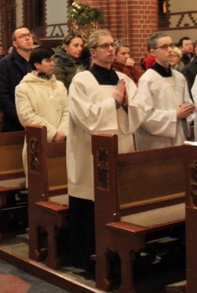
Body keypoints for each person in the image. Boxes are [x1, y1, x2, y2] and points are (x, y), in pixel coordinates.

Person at [66, 30, 146, 272]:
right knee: (91, 202)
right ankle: (87, 256)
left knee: (117, 199)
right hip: (89, 153)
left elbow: (139, 110)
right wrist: (113, 102)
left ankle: (119, 253)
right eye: (104, 46)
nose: (110, 49)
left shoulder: (124, 78)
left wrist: (126, 103)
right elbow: (84, 117)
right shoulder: (81, 81)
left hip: (120, 146)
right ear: (92, 52)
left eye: (112, 45)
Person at [15, 46, 69, 183]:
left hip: (63, 143)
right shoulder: (23, 88)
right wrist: (53, 133)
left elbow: (68, 111)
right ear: (37, 64)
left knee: (62, 185)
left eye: (52, 60)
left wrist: (63, 131)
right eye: (47, 60)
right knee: (41, 187)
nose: (52, 63)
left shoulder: (60, 86)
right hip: (38, 144)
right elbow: (27, 117)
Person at [135, 32, 194, 150]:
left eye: (171, 45)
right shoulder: (147, 80)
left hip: (178, 135)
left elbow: (187, 104)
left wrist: (188, 110)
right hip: (156, 141)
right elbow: (144, 116)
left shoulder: (179, 77)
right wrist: (174, 115)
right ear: (153, 53)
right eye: (164, 47)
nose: (170, 50)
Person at [0, 27, 34, 132]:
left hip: (39, 119)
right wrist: (22, 118)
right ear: (15, 43)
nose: (27, 38)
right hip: (14, 122)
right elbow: (2, 96)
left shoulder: (38, 61)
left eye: (29, 35)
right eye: (22, 36)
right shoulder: (5, 64)